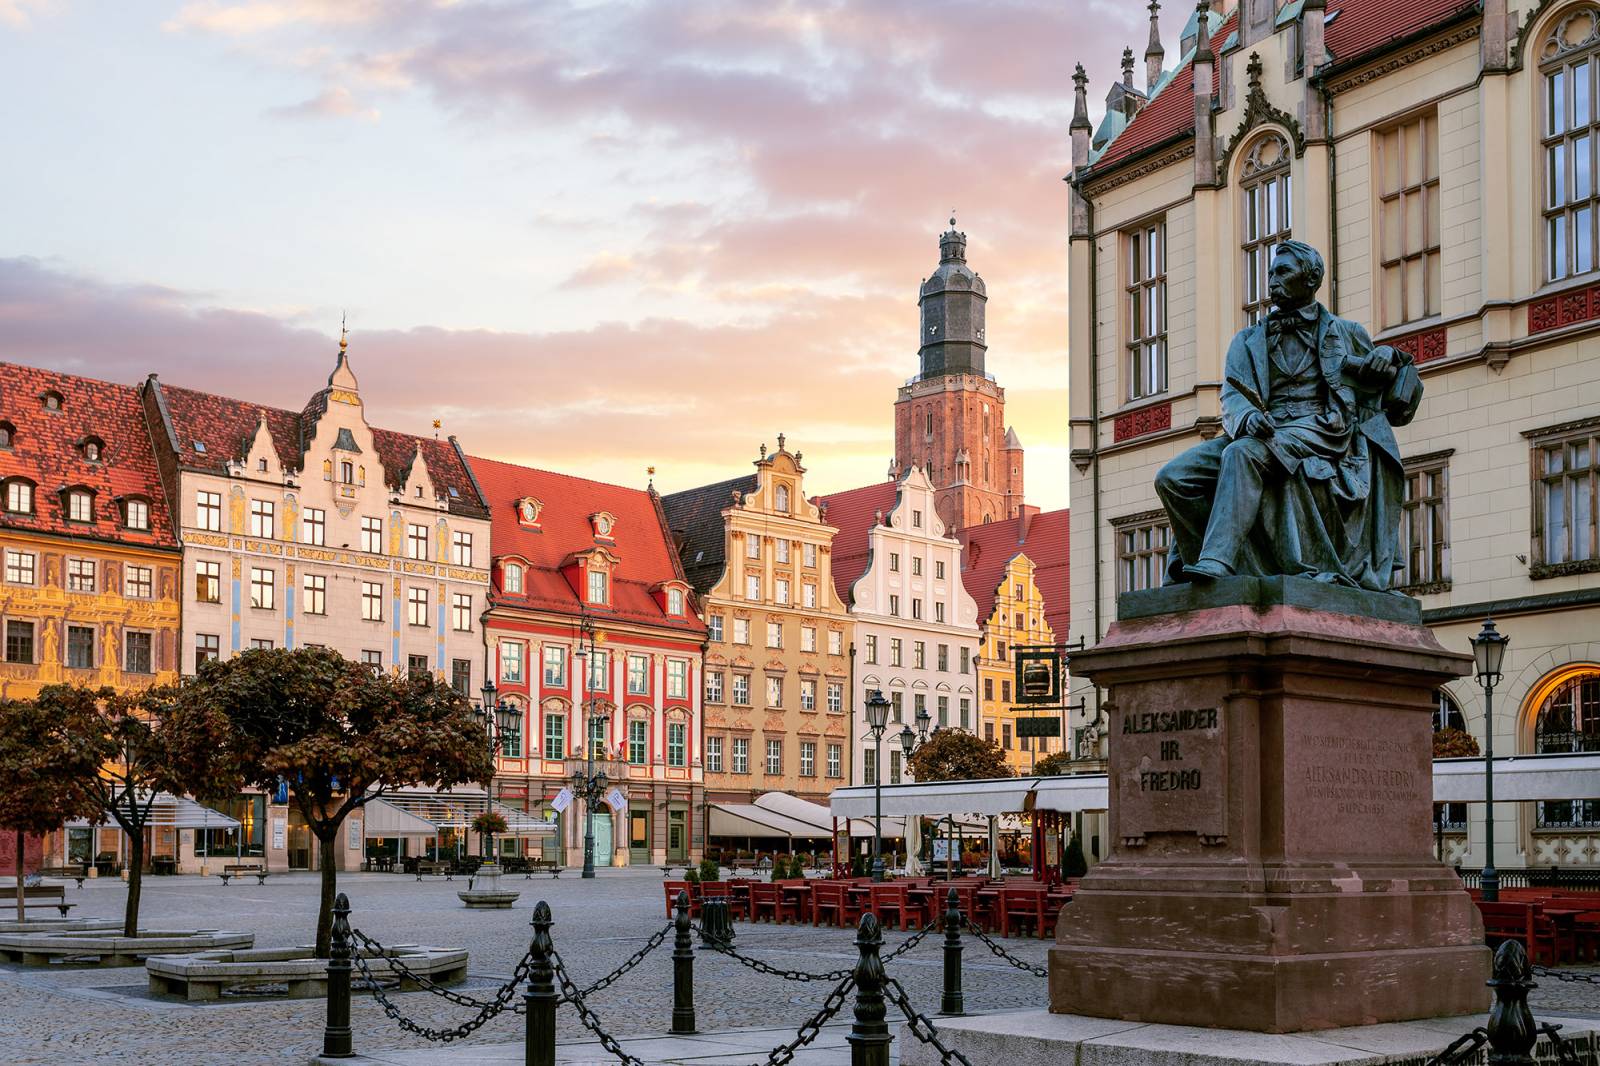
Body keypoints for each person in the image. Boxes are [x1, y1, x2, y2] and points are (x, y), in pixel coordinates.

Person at [1154, 240, 1422, 591]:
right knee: (1172, 478)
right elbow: (1233, 396)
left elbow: (1394, 397)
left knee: (1242, 454)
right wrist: (1249, 418)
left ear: (1310, 280)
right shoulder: (1248, 340)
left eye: (1282, 272)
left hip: (1322, 429)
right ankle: (1213, 565)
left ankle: (1217, 562)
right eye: (1270, 273)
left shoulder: (1347, 333)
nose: (1271, 281)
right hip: (1262, 428)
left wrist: (1388, 355)